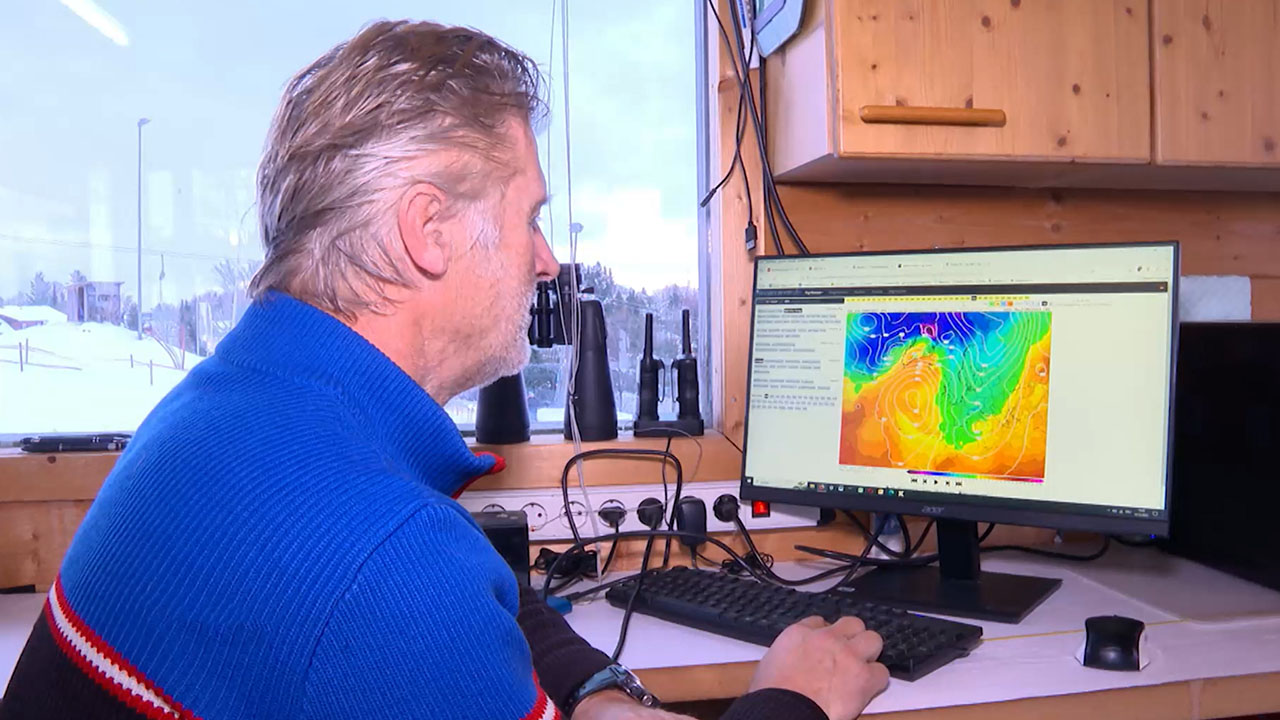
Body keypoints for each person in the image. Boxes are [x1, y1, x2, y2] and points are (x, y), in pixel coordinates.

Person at [0, 20, 888, 720]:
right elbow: (415, 583)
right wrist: (793, 699)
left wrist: (595, 692)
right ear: (428, 231)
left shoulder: (232, 411)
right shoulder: (384, 559)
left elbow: (477, 591)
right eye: (529, 216)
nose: (546, 259)